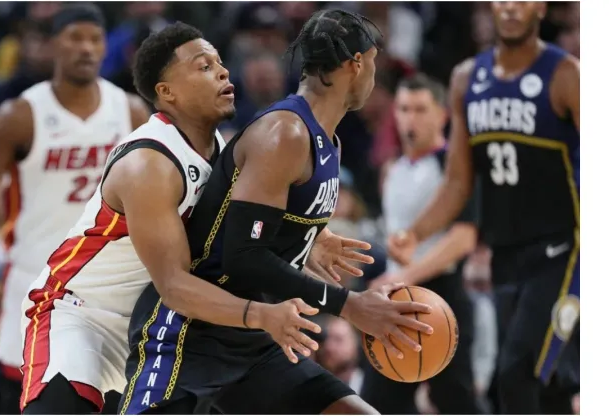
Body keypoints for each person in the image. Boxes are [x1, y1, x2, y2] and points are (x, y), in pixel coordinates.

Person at [18, 21, 363, 414]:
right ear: (167, 93)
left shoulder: (223, 148)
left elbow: (241, 229)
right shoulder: (149, 163)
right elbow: (176, 285)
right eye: (203, 66)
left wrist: (311, 238)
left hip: (148, 324)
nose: (222, 71)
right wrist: (261, 315)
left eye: (219, 62)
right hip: (81, 315)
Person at [121, 10, 434, 415]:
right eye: (373, 62)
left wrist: (310, 240)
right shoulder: (284, 133)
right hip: (191, 335)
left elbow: (263, 238)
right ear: (356, 64)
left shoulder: (329, 142)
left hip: (257, 340)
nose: (375, 75)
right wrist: (350, 305)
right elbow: (243, 255)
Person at [388, 2, 579, 414]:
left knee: (516, 372)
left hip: (565, 252)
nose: (511, 7)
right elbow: (458, 181)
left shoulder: (566, 75)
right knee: (548, 385)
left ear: (541, 7)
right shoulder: (466, 79)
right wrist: (416, 233)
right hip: (506, 254)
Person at [0, 4, 150, 414]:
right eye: (74, 38)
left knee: (109, 395)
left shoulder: (131, 112)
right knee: (26, 398)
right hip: (33, 278)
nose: (86, 48)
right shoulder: (20, 115)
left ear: (106, 48)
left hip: (105, 283)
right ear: (52, 46)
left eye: (95, 39)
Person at [365, 73, 481, 414]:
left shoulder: (454, 167)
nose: (409, 118)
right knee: (380, 401)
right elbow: (399, 238)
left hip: (442, 293)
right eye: (403, 109)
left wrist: (409, 274)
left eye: (419, 109)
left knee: (454, 398)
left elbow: (464, 238)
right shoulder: (392, 170)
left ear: (442, 116)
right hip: (396, 299)